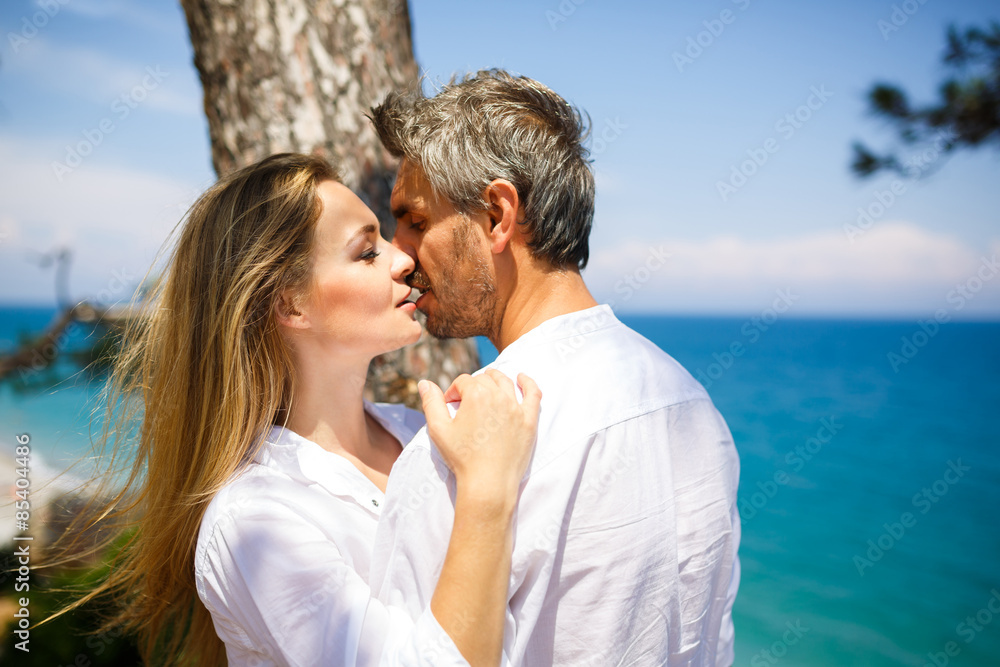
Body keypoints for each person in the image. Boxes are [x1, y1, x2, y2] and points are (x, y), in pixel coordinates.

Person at [57, 153, 541, 667]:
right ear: (290, 304)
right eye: (366, 252)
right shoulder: (254, 521)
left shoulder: (426, 433)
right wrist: (488, 492)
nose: (404, 258)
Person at [367, 69, 741, 666]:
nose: (398, 254)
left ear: (496, 215)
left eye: (414, 220)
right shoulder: (695, 410)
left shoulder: (459, 448)